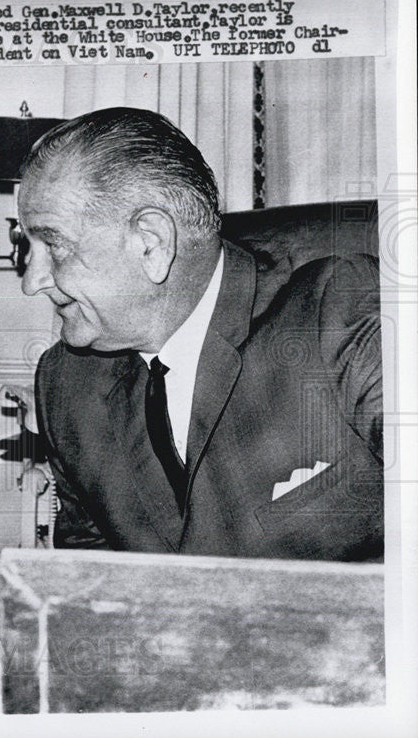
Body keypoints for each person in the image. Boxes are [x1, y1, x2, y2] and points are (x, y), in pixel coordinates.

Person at [21, 107, 382, 561]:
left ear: (151, 242)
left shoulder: (340, 310)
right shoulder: (66, 383)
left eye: (53, 246)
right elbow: (92, 574)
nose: (31, 281)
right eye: (26, 247)